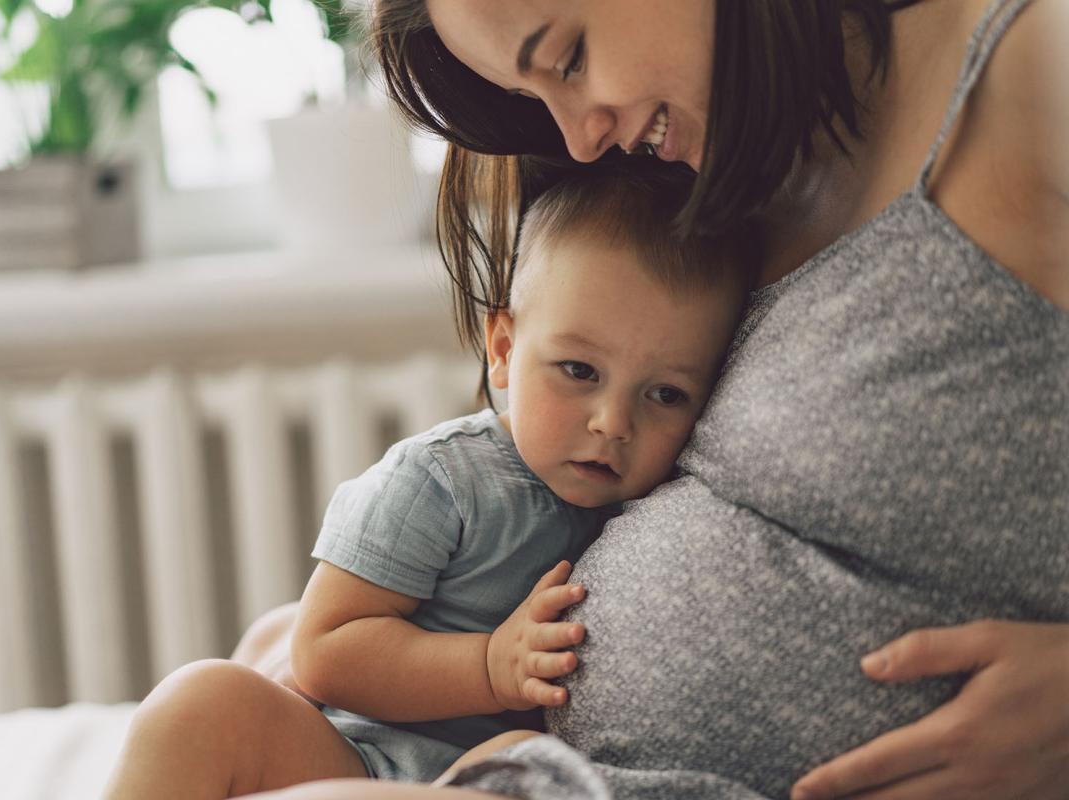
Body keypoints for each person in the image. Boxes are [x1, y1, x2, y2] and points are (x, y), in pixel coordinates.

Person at [229, 0, 1068, 798]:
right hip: (525, 759)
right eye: (534, 95)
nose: (580, 139)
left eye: (569, 56)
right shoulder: (709, 172)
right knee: (206, 716)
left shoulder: (1031, 68)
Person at [102, 170, 756, 797]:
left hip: (482, 776)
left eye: (666, 394)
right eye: (579, 370)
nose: (613, 422)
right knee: (201, 702)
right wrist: (489, 668)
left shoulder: (671, 503)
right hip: (352, 755)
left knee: (515, 759)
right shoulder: (444, 480)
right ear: (502, 347)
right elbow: (325, 648)